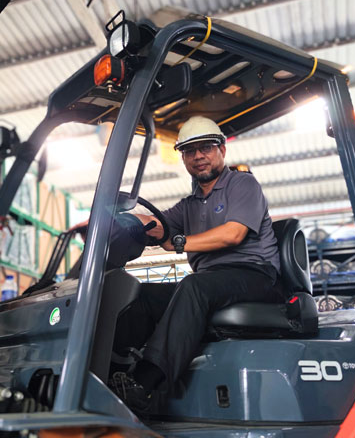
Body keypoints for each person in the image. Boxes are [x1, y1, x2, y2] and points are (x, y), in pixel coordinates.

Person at [110, 115, 283, 413]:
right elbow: (156, 223)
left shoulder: (242, 184)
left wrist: (179, 242)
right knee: (143, 295)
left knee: (192, 286)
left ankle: (144, 385)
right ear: (183, 158)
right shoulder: (188, 205)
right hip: (213, 282)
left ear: (222, 150)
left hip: (256, 276)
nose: (198, 156)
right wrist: (119, 221)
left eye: (206, 148)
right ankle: (112, 372)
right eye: (190, 151)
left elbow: (233, 234)